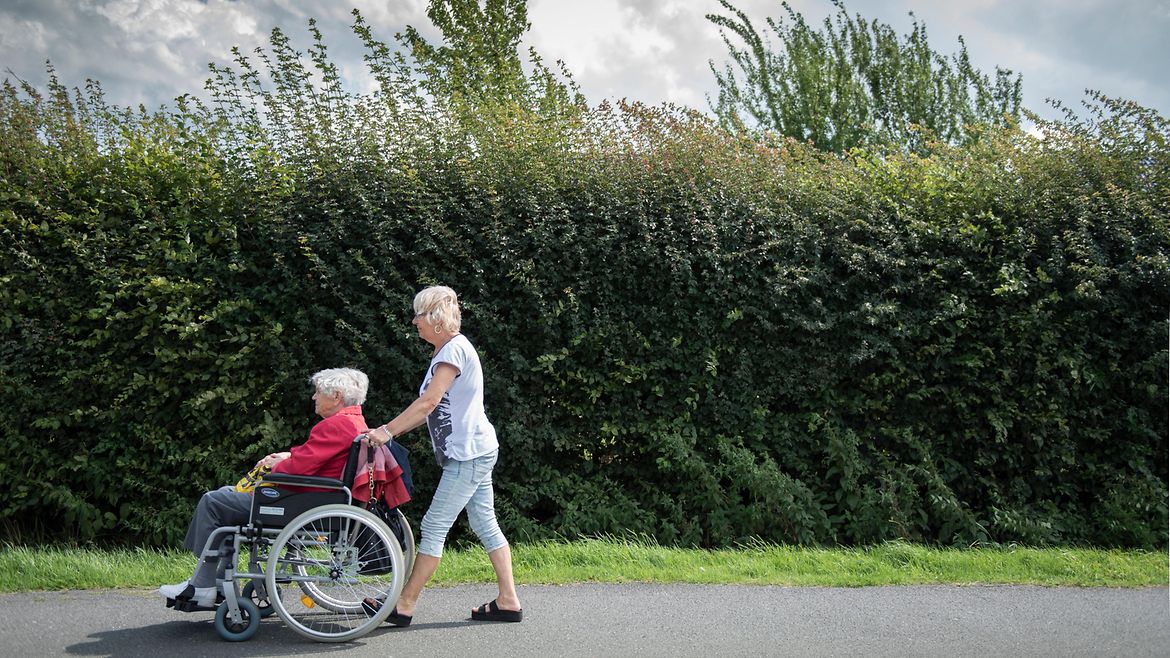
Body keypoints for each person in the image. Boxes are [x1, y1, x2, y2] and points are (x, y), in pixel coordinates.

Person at [364, 285, 522, 625]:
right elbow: (428, 408)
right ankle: (508, 600)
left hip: (469, 455)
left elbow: (429, 403)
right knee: (484, 522)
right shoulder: (449, 350)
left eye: (419, 315)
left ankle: (403, 604)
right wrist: (390, 429)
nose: (414, 321)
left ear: (435, 318)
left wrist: (386, 431)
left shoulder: (452, 351)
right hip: (475, 450)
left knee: (434, 526)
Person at [158, 367, 370, 606]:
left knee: (214, 501)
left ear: (337, 396)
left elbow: (299, 468)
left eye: (318, 392)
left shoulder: (335, 425)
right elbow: (315, 458)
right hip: (316, 499)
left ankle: (202, 583)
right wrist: (287, 457)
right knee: (227, 497)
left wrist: (272, 467)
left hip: (300, 502)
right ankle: (213, 583)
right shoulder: (355, 422)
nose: (313, 397)